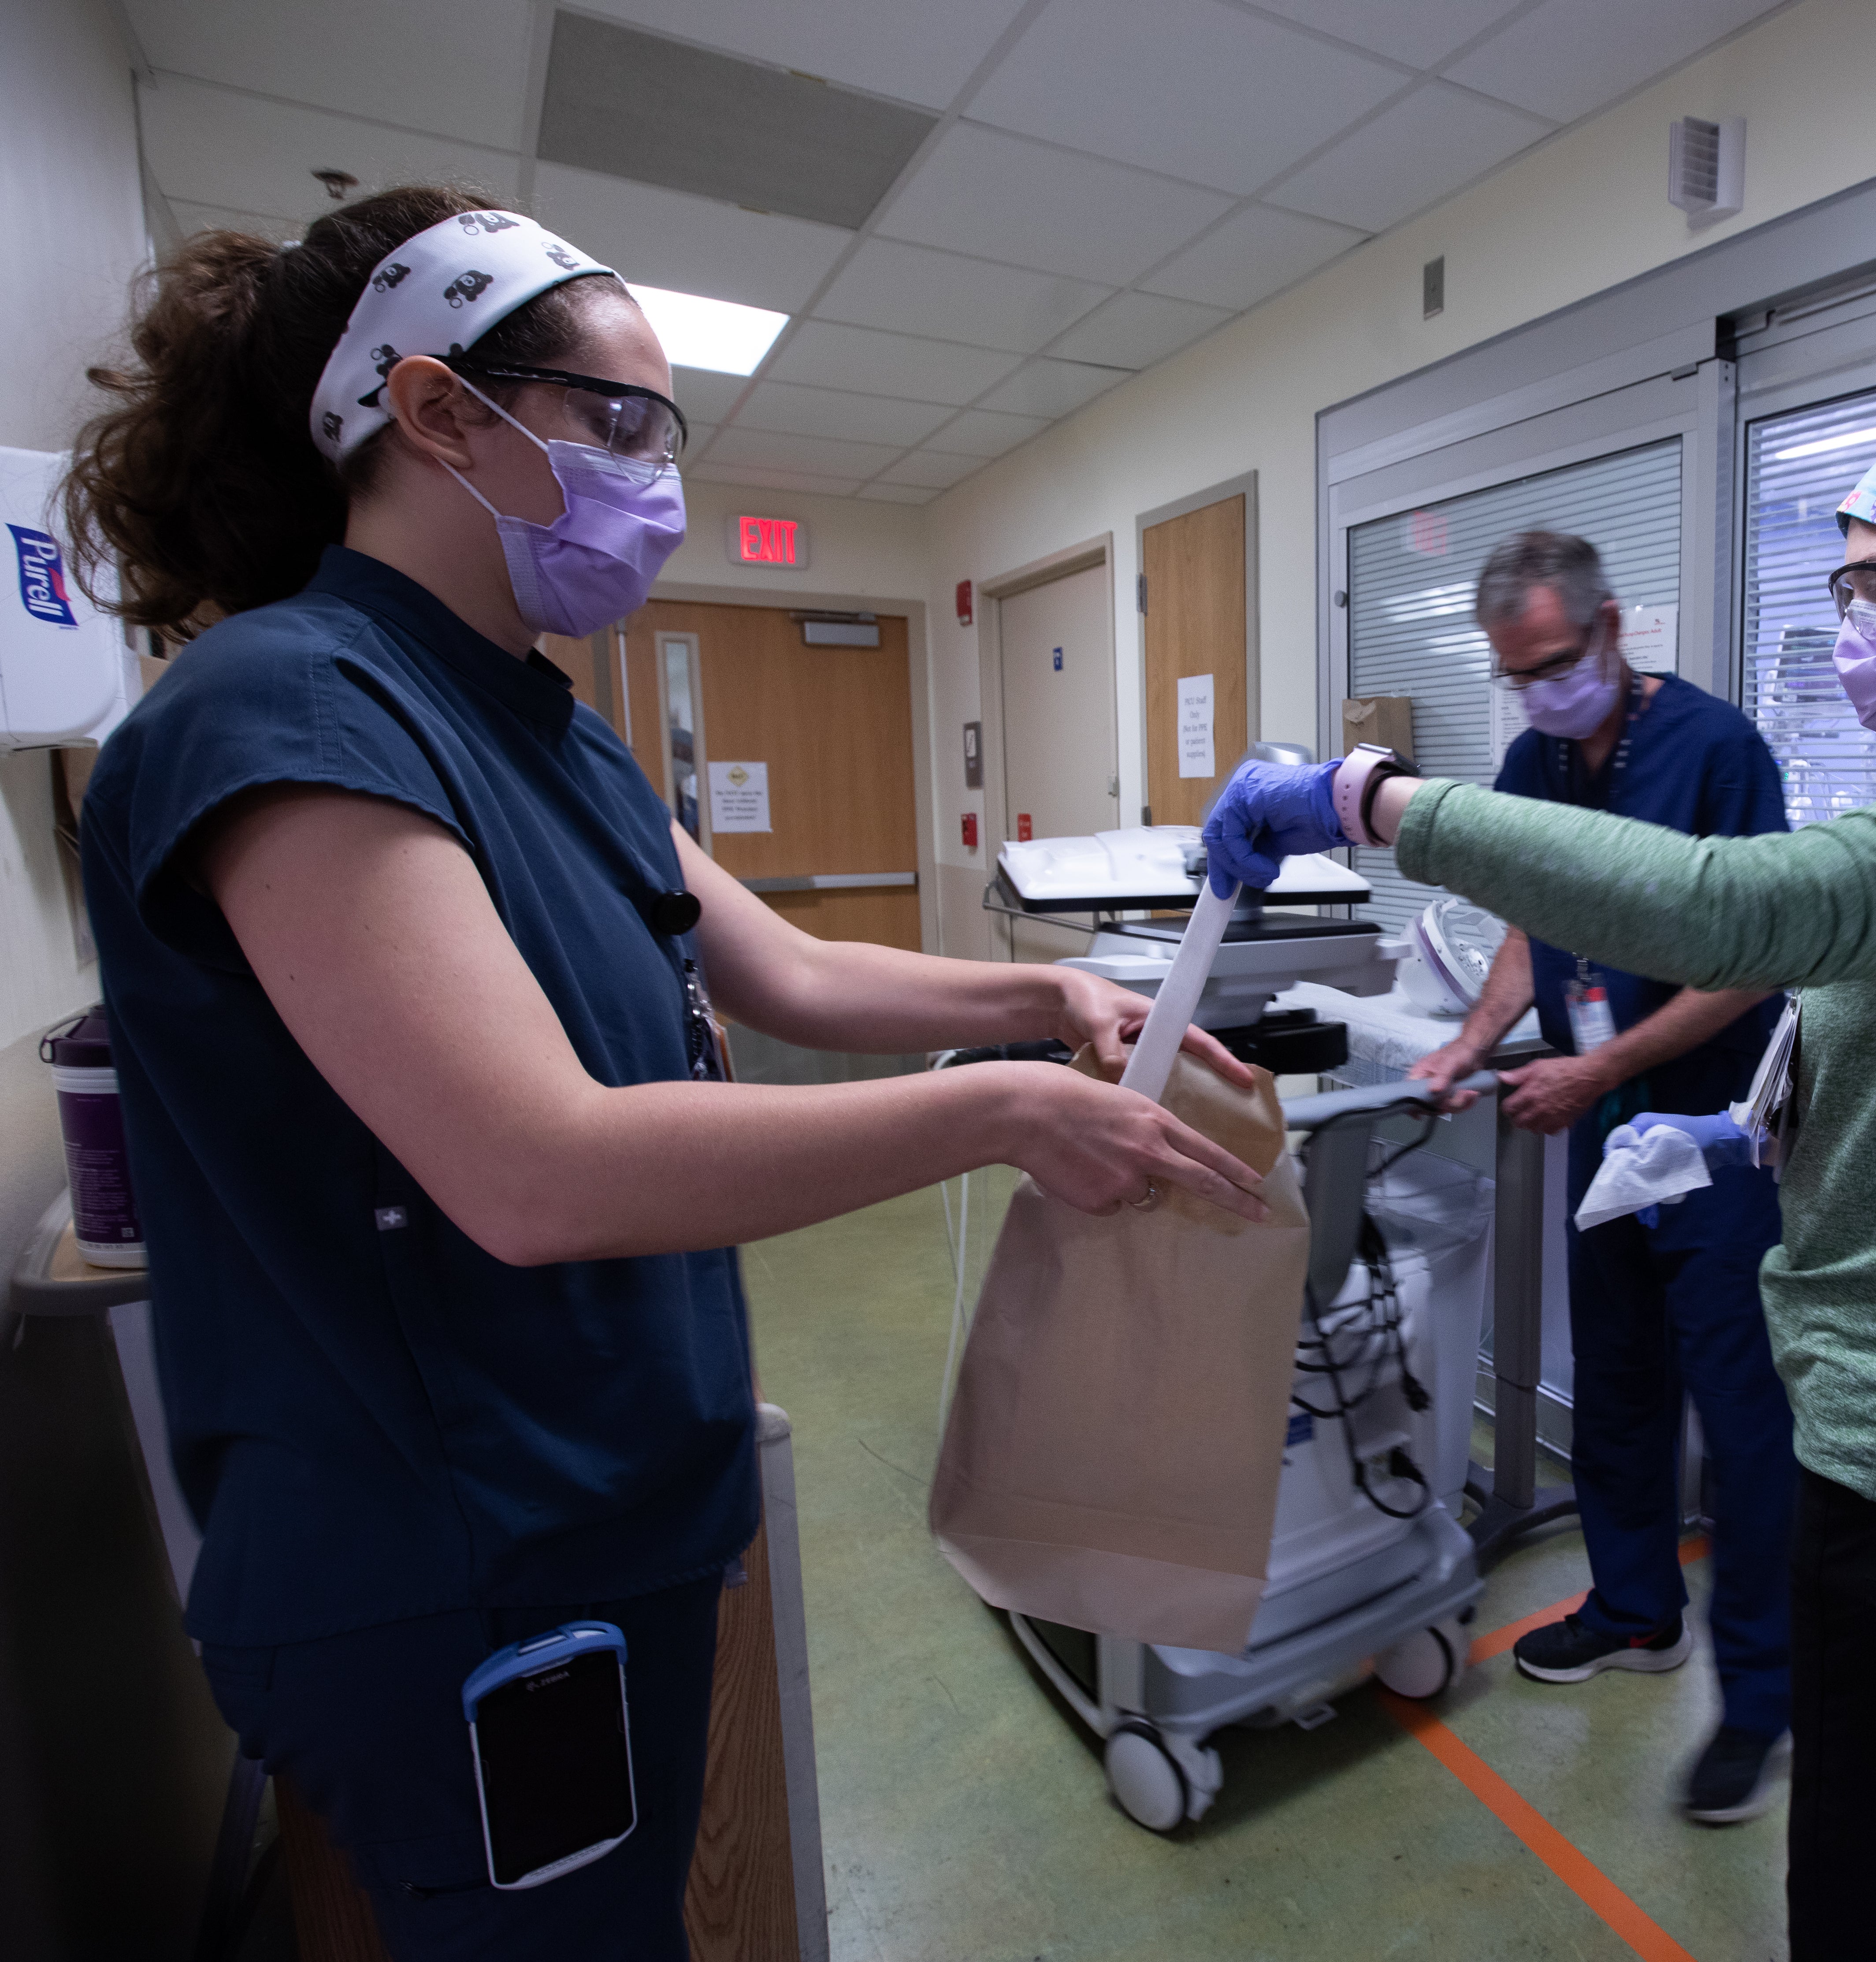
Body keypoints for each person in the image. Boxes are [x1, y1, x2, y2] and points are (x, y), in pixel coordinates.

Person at [62, 187, 1268, 1958]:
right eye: (616, 420)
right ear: (437, 413)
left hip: (608, 1511)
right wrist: (1003, 1114)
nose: (657, 476)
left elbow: (787, 968)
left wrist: (1051, 1003)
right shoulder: (284, 706)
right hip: (454, 1564)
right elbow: (537, 1168)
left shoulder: (545, 725)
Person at [1204, 383, 1876, 1958]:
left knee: (1873, 1900)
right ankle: (1637, 1609)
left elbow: (1735, 915)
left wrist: (1364, 798)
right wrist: (1744, 1130)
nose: (1853, 613)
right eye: (1846, 581)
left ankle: (1745, 1694)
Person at [1402, 531, 1800, 1825]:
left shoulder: (1717, 747)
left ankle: (1758, 1702)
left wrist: (1603, 1065)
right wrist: (1470, 1040)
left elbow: (1749, 958)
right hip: (1602, 1128)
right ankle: (1637, 1612)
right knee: (1619, 1388)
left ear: (1612, 629)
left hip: (1720, 1133)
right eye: (1516, 676)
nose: (1539, 695)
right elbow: (1532, 918)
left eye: (1558, 666)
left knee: (1745, 1430)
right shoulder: (1530, 760)